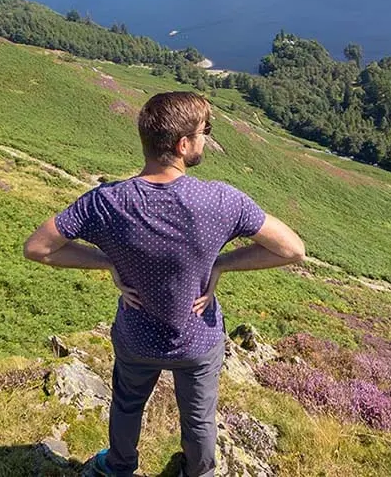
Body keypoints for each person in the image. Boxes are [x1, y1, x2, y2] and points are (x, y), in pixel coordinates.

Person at [23, 91, 306, 477]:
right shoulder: (221, 201)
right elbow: (292, 250)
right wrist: (221, 264)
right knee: (200, 419)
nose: (206, 137)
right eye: (204, 131)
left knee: (126, 406)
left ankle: (119, 466)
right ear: (183, 144)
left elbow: (38, 248)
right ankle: (199, 472)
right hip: (197, 340)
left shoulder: (106, 202)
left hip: (137, 337)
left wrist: (107, 261)